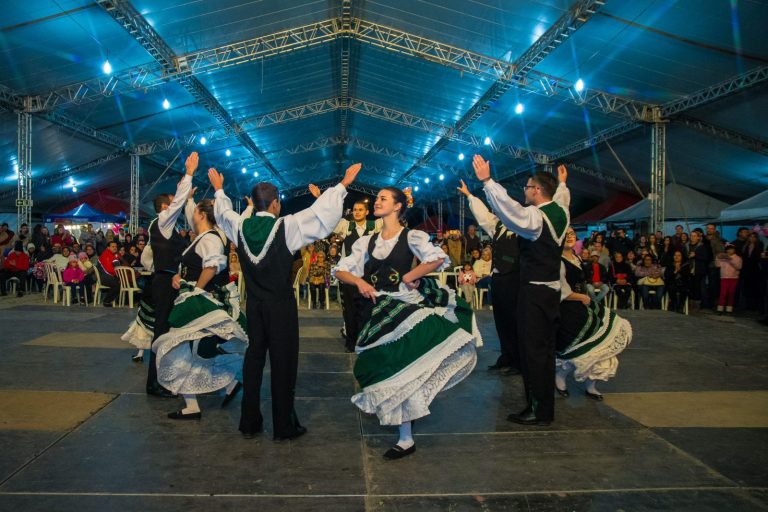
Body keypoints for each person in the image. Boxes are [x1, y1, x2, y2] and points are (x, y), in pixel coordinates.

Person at [211, 162, 362, 441]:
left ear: (254, 204)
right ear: (275, 204)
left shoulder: (240, 226)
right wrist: (342, 185)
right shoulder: (287, 226)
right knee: (283, 362)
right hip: (280, 305)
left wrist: (219, 190)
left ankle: (249, 422)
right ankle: (283, 426)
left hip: (254, 306)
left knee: (254, 359)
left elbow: (223, 214)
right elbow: (320, 216)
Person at [333, 186, 481, 460]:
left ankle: (405, 437)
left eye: (383, 199)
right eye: (377, 198)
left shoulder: (411, 235)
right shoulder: (366, 241)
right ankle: (404, 432)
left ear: (398, 206)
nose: (377, 202)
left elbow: (438, 258)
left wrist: (411, 275)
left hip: (405, 309)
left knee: (405, 371)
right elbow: (341, 269)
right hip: (377, 312)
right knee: (383, 368)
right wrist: (359, 282)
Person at [473, 156, 570, 426]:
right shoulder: (561, 212)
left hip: (533, 294)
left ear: (537, 190)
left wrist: (487, 181)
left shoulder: (536, 218)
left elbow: (510, 210)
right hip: (551, 292)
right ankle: (543, 407)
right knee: (545, 351)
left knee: (533, 353)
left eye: (528, 187)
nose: (525, 191)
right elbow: (562, 198)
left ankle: (538, 410)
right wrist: (562, 184)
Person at [153, 199, 247, 420]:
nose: (191, 215)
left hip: (201, 302)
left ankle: (197, 402)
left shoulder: (210, 238)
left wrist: (196, 289)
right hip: (195, 300)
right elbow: (194, 266)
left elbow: (212, 266)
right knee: (188, 349)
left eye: (194, 211)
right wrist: (179, 277)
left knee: (178, 346)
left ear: (202, 215)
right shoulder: (202, 237)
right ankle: (224, 388)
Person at [144, 152, 199, 398]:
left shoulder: (163, 226)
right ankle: (155, 383)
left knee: (167, 331)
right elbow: (177, 205)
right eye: (172, 202)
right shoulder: (163, 221)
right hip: (165, 281)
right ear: (165, 207)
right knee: (162, 331)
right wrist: (188, 174)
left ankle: (165, 378)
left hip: (167, 280)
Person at [556, 228, 632, 400]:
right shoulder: (557, 261)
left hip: (583, 305)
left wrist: (585, 298)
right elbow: (562, 291)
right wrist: (583, 297)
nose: (569, 237)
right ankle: (560, 377)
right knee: (578, 349)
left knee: (600, 346)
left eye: (572, 234)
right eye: (565, 234)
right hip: (568, 309)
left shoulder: (576, 257)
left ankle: (591, 386)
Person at [332, 198, 381, 352]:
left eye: (360, 209)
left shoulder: (375, 226)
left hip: (369, 276)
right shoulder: (346, 226)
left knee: (368, 310)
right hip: (349, 277)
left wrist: (407, 201)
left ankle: (366, 341)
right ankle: (351, 342)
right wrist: (322, 199)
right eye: (354, 210)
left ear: (367, 212)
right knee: (350, 311)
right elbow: (330, 219)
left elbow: (393, 218)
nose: (357, 212)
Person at [716, 244, 742, 315]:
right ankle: (720, 309)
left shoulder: (738, 258)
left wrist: (730, 260)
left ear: (734, 250)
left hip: (733, 278)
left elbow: (739, 267)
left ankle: (729, 309)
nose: (729, 251)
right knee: (723, 293)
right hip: (724, 277)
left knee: (731, 293)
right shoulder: (723, 257)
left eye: (731, 249)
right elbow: (717, 265)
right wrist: (717, 258)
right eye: (728, 249)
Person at [96, 241, 121, 307]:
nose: (115, 248)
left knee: (123, 282)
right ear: (108, 248)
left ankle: (120, 300)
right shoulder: (106, 255)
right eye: (113, 246)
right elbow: (108, 270)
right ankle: (107, 301)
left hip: (108, 275)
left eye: (116, 246)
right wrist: (119, 275)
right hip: (104, 277)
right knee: (118, 284)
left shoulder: (113, 254)